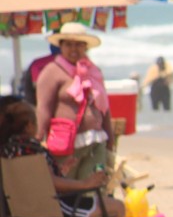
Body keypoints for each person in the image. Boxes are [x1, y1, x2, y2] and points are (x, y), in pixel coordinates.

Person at [1, 99, 125, 217]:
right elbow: (49, 183)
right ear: (29, 126)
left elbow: (36, 180)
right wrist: (85, 184)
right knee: (116, 208)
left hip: (17, 208)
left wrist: (62, 171)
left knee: (97, 210)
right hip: (49, 208)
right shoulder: (33, 149)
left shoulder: (7, 149)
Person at [35, 23, 116, 180]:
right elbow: (43, 108)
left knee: (94, 189)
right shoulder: (51, 72)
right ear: (61, 46)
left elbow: (103, 107)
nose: (74, 49)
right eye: (69, 44)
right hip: (66, 145)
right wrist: (38, 139)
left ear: (86, 47)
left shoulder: (94, 72)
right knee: (67, 190)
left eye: (79, 44)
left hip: (96, 141)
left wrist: (110, 141)